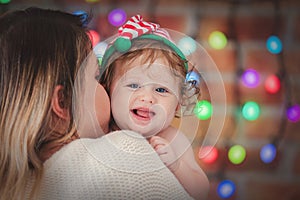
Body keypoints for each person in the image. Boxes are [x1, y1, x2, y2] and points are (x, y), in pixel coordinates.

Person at [0, 7, 194, 200]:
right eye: (95, 76)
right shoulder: (123, 153)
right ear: (63, 101)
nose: (105, 88)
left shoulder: (16, 186)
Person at [99, 15, 209, 199]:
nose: (147, 98)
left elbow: (202, 191)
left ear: (177, 104)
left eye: (161, 89)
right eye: (133, 85)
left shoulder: (172, 139)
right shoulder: (102, 131)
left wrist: (177, 166)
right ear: (108, 89)